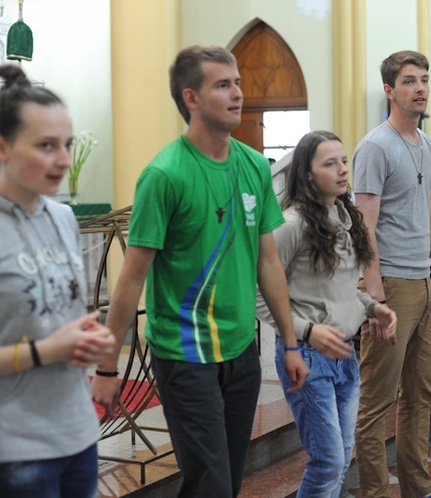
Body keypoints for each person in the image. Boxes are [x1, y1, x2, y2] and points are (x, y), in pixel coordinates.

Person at [91, 45, 307, 498]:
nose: (238, 93)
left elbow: (267, 260)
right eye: (223, 85)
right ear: (191, 98)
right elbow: (130, 278)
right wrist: (109, 367)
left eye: (239, 83)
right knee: (209, 483)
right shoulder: (165, 174)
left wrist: (290, 342)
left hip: (241, 350)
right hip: (185, 355)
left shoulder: (251, 166)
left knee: (225, 482)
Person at [258, 130, 397, 496]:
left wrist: (372, 308)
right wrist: (305, 331)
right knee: (328, 461)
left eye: (344, 161)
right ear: (307, 173)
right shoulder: (291, 224)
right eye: (329, 163)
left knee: (340, 457)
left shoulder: (344, 216)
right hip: (306, 356)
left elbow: (341, 290)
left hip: (344, 352)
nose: (342, 170)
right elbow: (259, 295)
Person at [0, 64, 115, 497]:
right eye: (47, 146)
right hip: (15, 445)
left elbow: (58, 312)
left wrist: (91, 338)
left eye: (67, 144)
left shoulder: (63, 217)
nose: (64, 160)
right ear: (3, 147)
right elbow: (47, 341)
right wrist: (47, 350)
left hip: (77, 432)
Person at [353, 50, 431, 498]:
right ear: (389, 89)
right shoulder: (375, 147)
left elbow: (428, 218)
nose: (420, 88)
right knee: (378, 402)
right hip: (391, 286)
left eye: (425, 80)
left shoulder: (423, 141)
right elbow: (365, 227)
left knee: (420, 396)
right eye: (410, 81)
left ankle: (418, 489)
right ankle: (375, 493)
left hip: (422, 282)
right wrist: (375, 298)